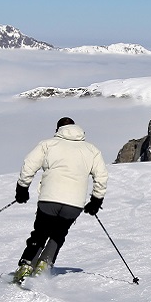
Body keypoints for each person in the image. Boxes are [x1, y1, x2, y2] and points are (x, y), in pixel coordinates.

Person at [12, 117, 108, 283]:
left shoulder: (48, 144)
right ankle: (44, 264)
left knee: (40, 233)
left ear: (58, 129)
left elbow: (29, 165)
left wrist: (22, 188)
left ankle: (27, 265)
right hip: (74, 203)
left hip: (49, 198)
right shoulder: (91, 149)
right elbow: (101, 176)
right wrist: (96, 200)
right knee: (59, 233)